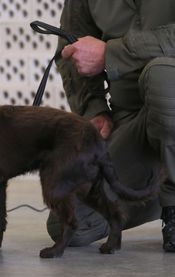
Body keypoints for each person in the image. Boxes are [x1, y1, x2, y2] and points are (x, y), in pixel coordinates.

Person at [46, 0, 175, 252]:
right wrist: (94, 110)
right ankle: (159, 186)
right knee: (71, 224)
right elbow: (71, 48)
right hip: (133, 120)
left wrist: (111, 54)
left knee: (162, 79)